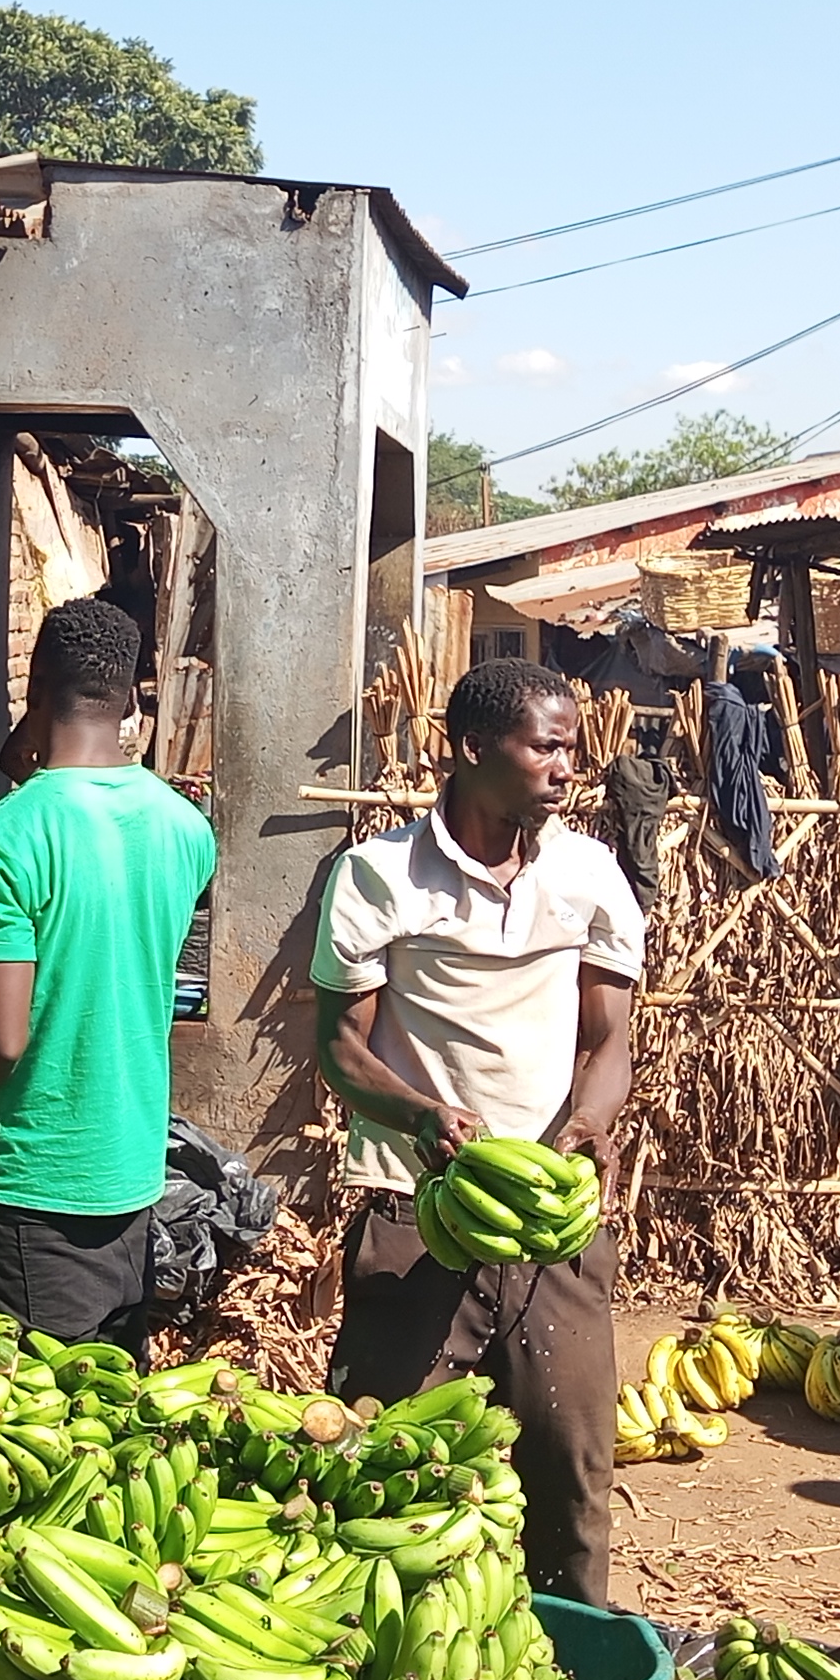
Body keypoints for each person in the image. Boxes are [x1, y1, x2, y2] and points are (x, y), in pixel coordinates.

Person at [312, 658, 642, 1608]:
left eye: (572, 747)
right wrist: (419, 1115)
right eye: (547, 745)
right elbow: (341, 1050)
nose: (568, 765)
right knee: (386, 1469)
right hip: (417, 1215)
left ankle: (573, 1664)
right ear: (470, 750)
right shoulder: (378, 878)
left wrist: (589, 1120)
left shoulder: (588, 876)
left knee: (571, 1477)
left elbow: (612, 1039)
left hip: (549, 1223)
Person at [0, 600, 215, 1353]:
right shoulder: (185, 829)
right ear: (133, 699)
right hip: (133, 1166)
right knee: (111, 1412)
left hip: (39, 1181)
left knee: (46, 1433)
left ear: (33, 692)